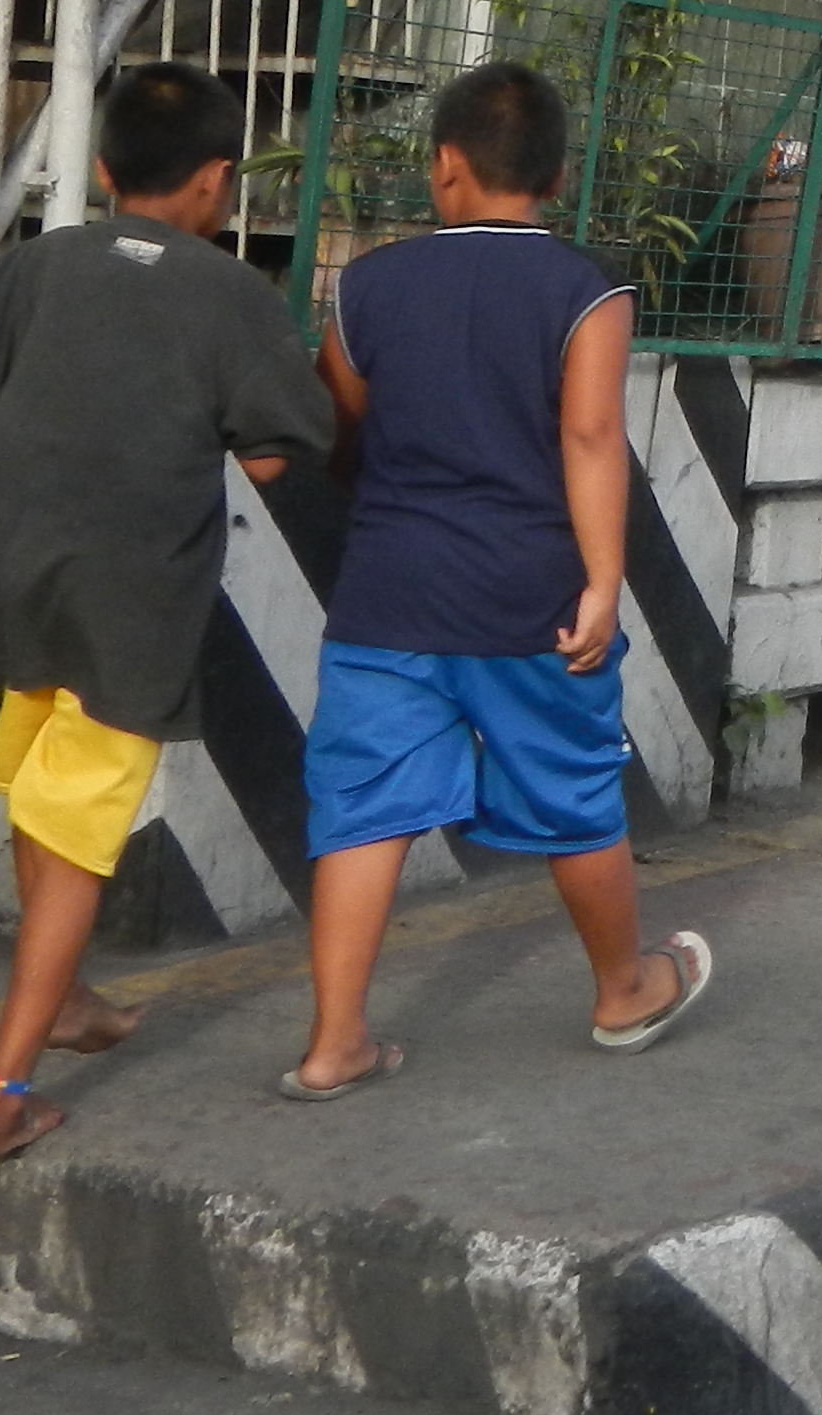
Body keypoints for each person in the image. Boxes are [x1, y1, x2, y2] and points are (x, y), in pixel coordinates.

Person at [0, 62, 333, 1163]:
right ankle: (1, 1098)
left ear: (100, 169)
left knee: (46, 804)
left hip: (7, 567)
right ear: (220, 182)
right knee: (83, 830)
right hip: (128, 599)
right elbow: (278, 460)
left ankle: (73, 996)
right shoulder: (231, 294)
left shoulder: (36, 264)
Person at [287, 63, 711, 1096]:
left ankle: (335, 1040)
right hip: (531, 597)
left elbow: (338, 422)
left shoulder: (370, 286)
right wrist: (604, 583)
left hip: (386, 592)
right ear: (557, 179)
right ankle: (624, 992)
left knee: (364, 810)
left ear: (444, 166)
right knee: (573, 794)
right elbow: (592, 434)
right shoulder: (585, 289)